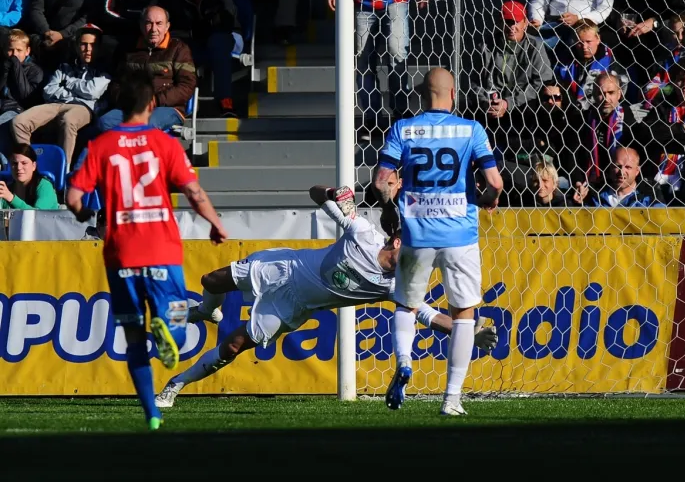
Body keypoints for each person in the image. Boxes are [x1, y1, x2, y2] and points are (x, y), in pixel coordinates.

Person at [154, 185, 500, 408]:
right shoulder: (362, 232)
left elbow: (427, 315)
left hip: (292, 305)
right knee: (210, 279)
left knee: (232, 346)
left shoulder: (396, 285)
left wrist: (463, 329)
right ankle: (205, 310)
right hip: (284, 267)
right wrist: (333, 192)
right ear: (397, 242)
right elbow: (316, 195)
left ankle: (174, 385)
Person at [65, 70, 229, 431]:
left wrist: (83, 213)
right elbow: (193, 192)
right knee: (179, 330)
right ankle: (168, 331)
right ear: (152, 104)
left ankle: (152, 414)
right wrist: (215, 223)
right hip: (161, 249)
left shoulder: (101, 145)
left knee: (134, 338)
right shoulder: (165, 143)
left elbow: (74, 196)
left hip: (120, 253)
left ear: (120, 107)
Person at [373, 67, 503, 416]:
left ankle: (404, 363)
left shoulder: (403, 129)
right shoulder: (471, 129)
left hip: (416, 234)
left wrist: (389, 207)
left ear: (421, 96)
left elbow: (382, 180)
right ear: (453, 95)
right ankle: (452, 399)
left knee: (405, 304)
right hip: (460, 234)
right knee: (463, 315)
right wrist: (487, 197)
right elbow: (495, 182)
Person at [0, 143, 59, 210]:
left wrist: (12, 198)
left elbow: (39, 215)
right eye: (14, 163)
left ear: (34, 166)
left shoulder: (44, 186)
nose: (19, 167)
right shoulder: (8, 188)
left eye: (24, 163)